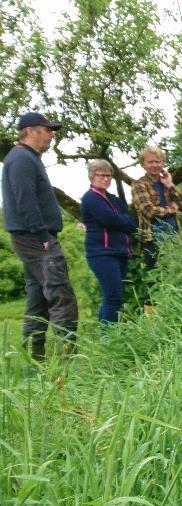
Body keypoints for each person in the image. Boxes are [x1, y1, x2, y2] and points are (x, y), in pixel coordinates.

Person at [1, 112, 79, 360]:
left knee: (39, 298)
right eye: (47, 130)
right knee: (60, 293)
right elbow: (26, 199)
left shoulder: (26, 158)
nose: (52, 134)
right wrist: (42, 233)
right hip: (35, 237)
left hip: (30, 236)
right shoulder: (22, 158)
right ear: (31, 131)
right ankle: (67, 360)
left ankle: (34, 360)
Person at [131, 145, 182, 310]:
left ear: (163, 162)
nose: (155, 165)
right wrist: (171, 209)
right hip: (152, 240)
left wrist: (170, 185)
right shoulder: (139, 184)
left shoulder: (166, 183)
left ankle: (175, 312)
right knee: (155, 281)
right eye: (150, 162)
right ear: (143, 164)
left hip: (175, 239)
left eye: (158, 161)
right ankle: (153, 321)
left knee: (177, 278)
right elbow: (148, 210)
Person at [80, 159, 136, 323]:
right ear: (92, 177)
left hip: (120, 252)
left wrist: (121, 221)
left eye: (108, 176)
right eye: (101, 175)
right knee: (113, 296)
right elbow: (109, 219)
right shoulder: (91, 198)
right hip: (102, 253)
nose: (106, 179)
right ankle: (108, 337)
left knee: (114, 296)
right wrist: (121, 221)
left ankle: (107, 335)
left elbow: (131, 222)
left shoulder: (113, 199)